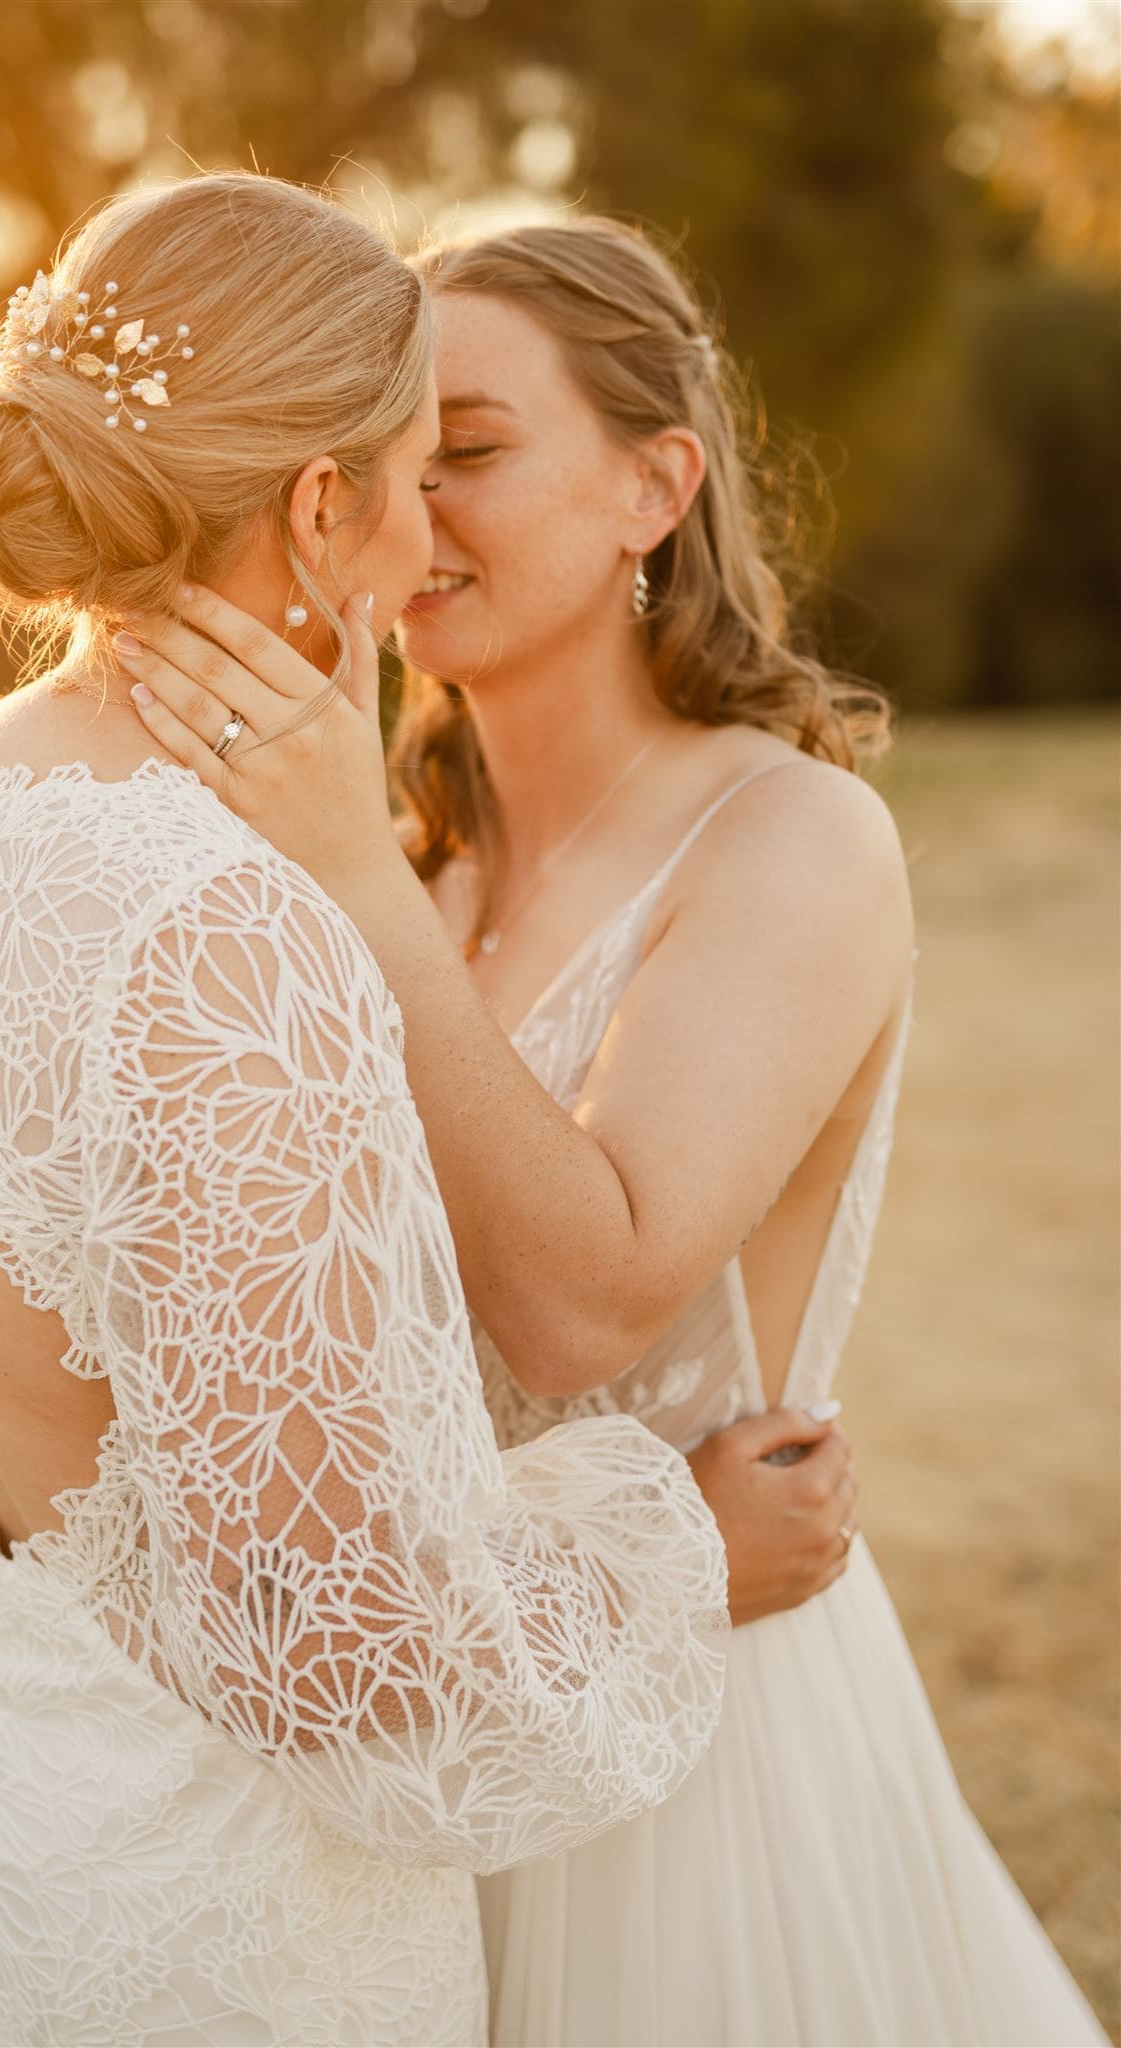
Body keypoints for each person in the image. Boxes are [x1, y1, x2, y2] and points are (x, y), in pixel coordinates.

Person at [0, 174, 852, 2048]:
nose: (423, 536)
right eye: (406, 466)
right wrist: (684, 1549)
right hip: (243, 1921)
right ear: (315, 503)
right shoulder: (222, 930)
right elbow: (354, 1663)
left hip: (33, 1804)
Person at [126, 216, 1106, 2046]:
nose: (406, 516)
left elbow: (586, 1310)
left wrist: (343, 867)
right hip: (442, 1738)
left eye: (471, 452)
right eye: (382, 465)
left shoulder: (789, 843)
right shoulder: (415, 865)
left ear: (656, 484)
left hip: (702, 1763)